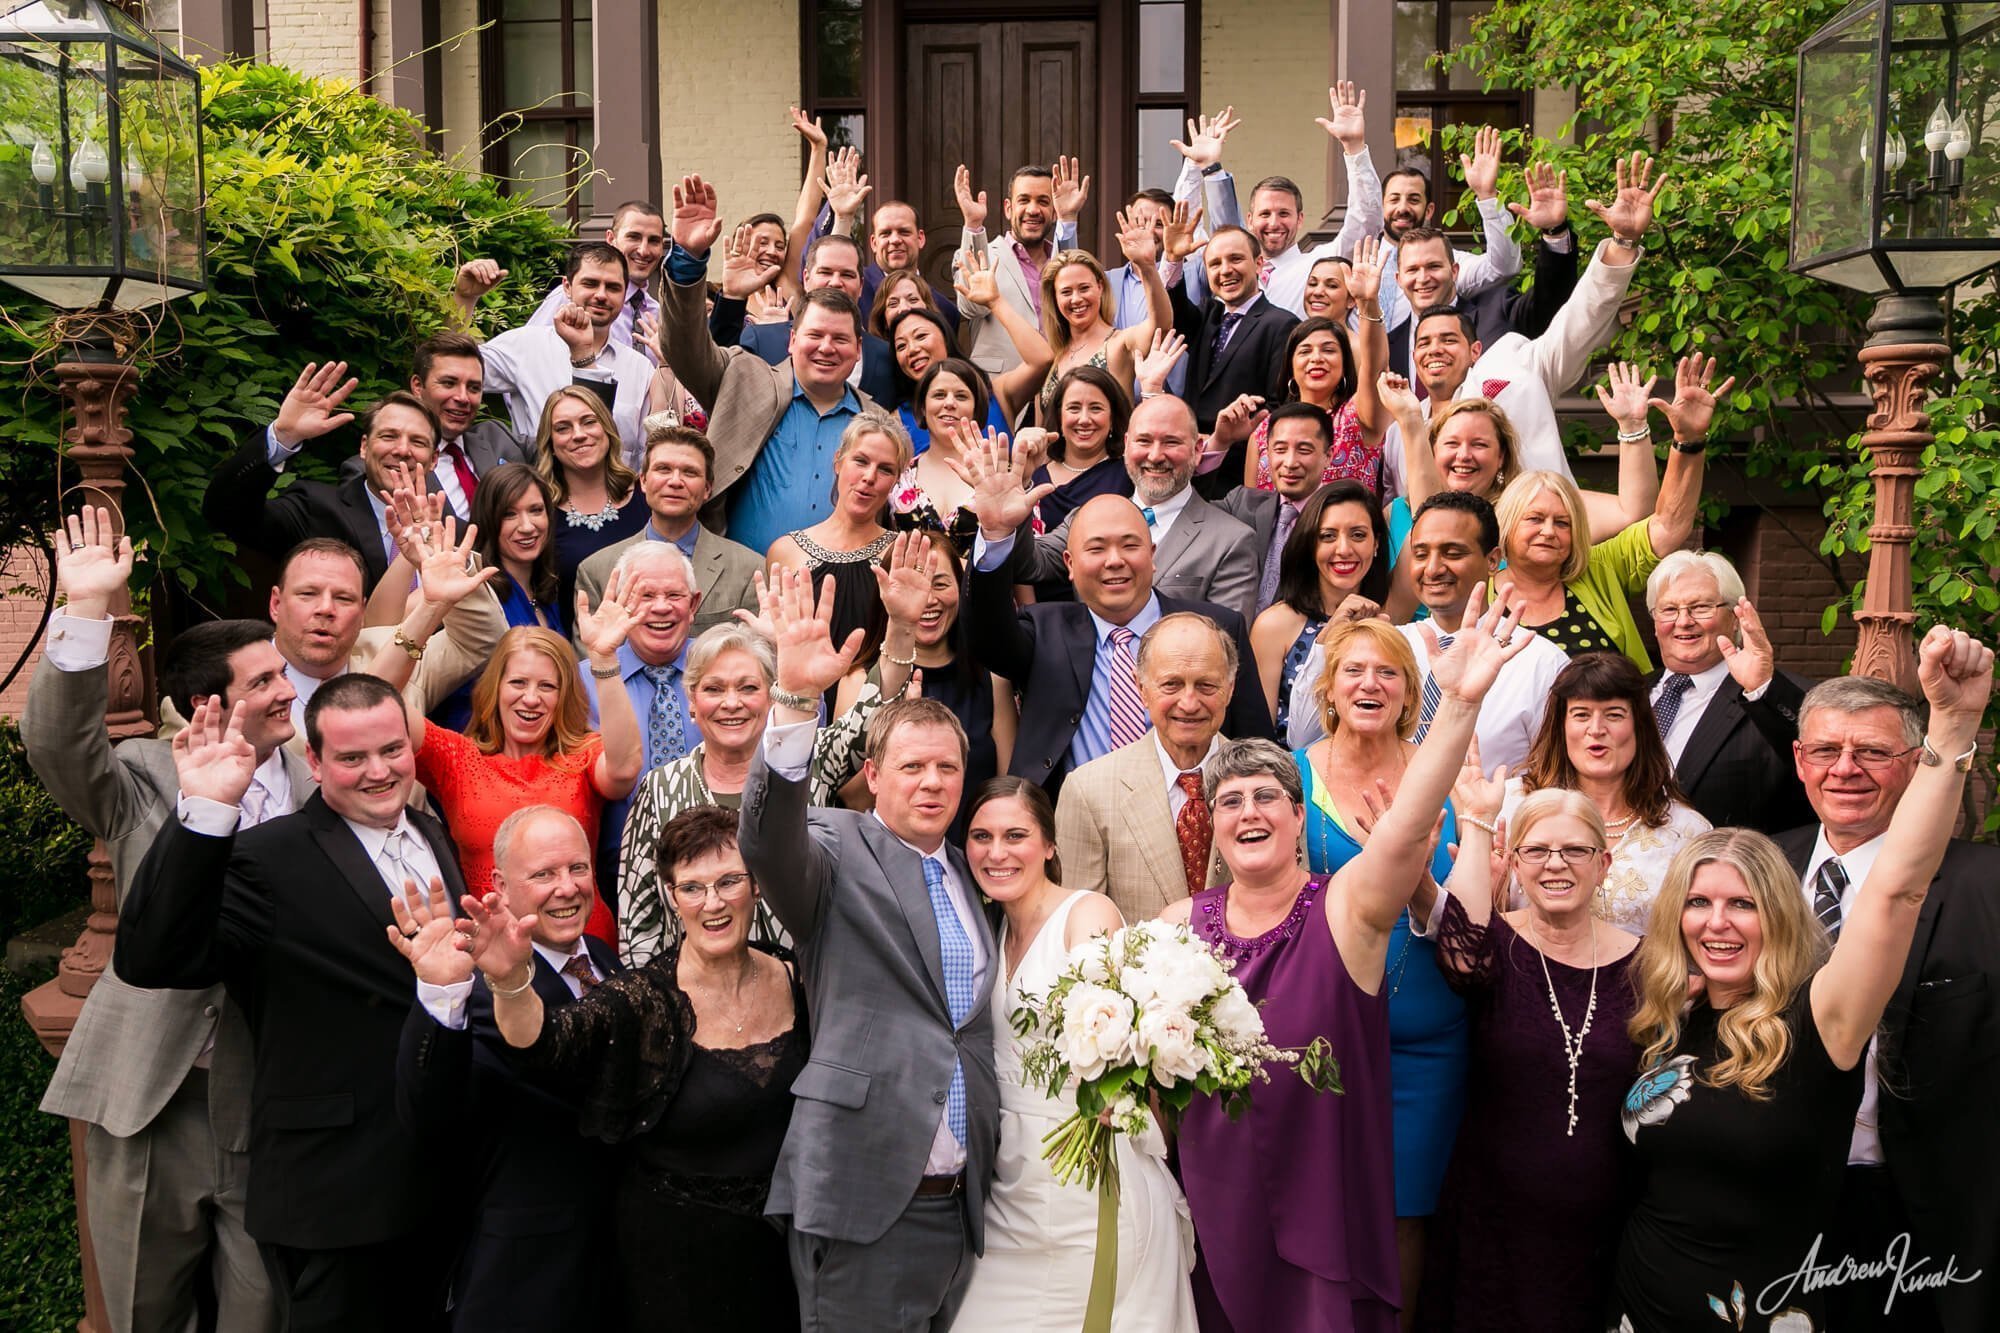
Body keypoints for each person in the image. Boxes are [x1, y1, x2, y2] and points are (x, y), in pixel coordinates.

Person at [1163, 589, 1532, 1331]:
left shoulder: (1343, 906)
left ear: (1301, 816)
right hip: (1225, 1170)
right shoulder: (1179, 925)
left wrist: (1457, 705)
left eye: (1268, 796)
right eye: (1230, 801)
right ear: (1211, 825)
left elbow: (1401, 833)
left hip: (1328, 1142)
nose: (1249, 813)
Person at [1612, 627, 1992, 1333]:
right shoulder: (1677, 1007)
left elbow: (1898, 890)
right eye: (1699, 902)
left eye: (1742, 905)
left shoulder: (1826, 1013)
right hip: (1650, 1289)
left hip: (1841, 1252)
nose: (1718, 922)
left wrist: (1955, 726)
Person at [118, 676, 469, 1331]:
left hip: (443, 1186)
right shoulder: (266, 858)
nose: (378, 770)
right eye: (352, 757)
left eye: (392, 749)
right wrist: (204, 813)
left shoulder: (430, 829)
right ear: (315, 761)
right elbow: (153, 957)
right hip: (335, 1196)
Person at [29, 509, 306, 1333]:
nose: (287, 690)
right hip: (156, 1096)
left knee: (262, 1311)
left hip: (268, 1098)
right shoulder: (144, 777)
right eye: (263, 682)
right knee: (144, 1309)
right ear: (205, 702)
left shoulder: (319, 780)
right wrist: (84, 613)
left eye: (280, 674)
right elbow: (57, 746)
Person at [737, 568, 1002, 1330]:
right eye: (912, 767)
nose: (931, 782)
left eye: (946, 767)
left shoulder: (969, 872)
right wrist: (792, 700)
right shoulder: (834, 844)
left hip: (958, 1205)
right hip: (864, 1194)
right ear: (874, 776)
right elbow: (767, 838)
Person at [453, 804, 808, 1331]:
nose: (713, 902)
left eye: (729, 880)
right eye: (692, 887)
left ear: (756, 886)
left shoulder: (797, 977)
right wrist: (510, 981)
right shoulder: (642, 997)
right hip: (674, 1271)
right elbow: (547, 1044)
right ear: (670, 896)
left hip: (783, 1259)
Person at [1773, 674, 2000, 1331]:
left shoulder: (1985, 886)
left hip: (1926, 1208)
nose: (1845, 769)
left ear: (1917, 762)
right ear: (1798, 760)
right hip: (1776, 1195)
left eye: (1872, 752)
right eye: (1825, 751)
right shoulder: (1756, 871)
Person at [952, 777, 1199, 1332]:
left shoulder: (1087, 915)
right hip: (1006, 1182)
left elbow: (1119, 1032)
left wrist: (1122, 1090)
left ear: (1049, 845)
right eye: (980, 836)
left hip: (1086, 1169)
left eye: (1016, 835)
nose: (997, 852)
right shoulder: (984, 931)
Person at [619, 542, 928, 963]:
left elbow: (870, 719)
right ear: (692, 702)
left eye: (748, 688)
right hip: (694, 1002)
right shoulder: (660, 788)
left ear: (771, 697)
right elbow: (639, 920)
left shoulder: (811, 760)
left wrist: (901, 626)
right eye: (714, 689)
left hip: (804, 992)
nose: (732, 703)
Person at [389, 807, 626, 1331]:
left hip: (618, 1273)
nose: (567, 888)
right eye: (544, 874)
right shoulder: (478, 990)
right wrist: (440, 993)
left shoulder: (608, 962)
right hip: (527, 1283)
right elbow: (428, 1118)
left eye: (578, 868)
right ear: (499, 884)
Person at [1418, 785, 1642, 1333]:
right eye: (1537, 851)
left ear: (1603, 863)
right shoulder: (1493, 946)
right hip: (1490, 1223)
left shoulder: (1646, 965)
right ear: (1515, 863)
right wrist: (1476, 821)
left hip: (1602, 1233)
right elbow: (1462, 941)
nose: (1556, 864)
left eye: (1575, 851)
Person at [1289, 617, 1465, 1307]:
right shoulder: (1292, 772)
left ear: (1409, 693)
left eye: (1387, 672)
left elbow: (1483, 903)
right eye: (1354, 670)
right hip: (1322, 1026)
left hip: (1426, 1031)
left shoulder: (1446, 775)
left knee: (1405, 1210)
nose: (1370, 683)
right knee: (1322, 1205)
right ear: (1329, 688)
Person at [963, 464, 1270, 796]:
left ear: (1152, 556)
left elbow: (1255, 746)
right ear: (1069, 564)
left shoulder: (1216, 627)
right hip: (1073, 821)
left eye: (1129, 545)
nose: (1114, 561)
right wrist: (995, 536)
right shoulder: (1045, 629)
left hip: (1192, 819)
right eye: (1096, 549)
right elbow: (986, 636)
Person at [1389, 152, 1665, 495]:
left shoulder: (1510, 358)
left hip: (1534, 521)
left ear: (1475, 349)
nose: (1436, 350)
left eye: (1449, 339)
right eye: (1425, 343)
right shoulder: (1399, 413)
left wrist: (1621, 245)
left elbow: (1576, 320)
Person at [659, 175, 872, 557]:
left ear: (858, 350)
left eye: (840, 339)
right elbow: (684, 348)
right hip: (744, 587)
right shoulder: (744, 378)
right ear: (791, 339)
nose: (826, 347)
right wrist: (689, 262)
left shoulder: (872, 416)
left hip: (841, 590)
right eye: (814, 335)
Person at [412, 598, 642, 948]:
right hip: (496, 951)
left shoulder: (581, 754)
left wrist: (605, 660)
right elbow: (371, 705)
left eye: (547, 686)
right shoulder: (456, 756)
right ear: (496, 688)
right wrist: (430, 607)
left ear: (563, 696)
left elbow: (625, 769)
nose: (531, 698)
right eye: (518, 683)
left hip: (583, 944)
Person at [1291, 492, 1568, 781]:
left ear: (1492, 560)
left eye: (1452, 553)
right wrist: (1328, 642)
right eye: (1421, 554)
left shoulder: (1541, 662)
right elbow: (1304, 738)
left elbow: (1554, 780)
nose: (1433, 569)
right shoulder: (1387, 647)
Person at [1496, 354, 1720, 669]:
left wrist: (1689, 440)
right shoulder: (1476, 589)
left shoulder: (1599, 569)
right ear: (1506, 526)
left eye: (1562, 522)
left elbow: (1667, 526)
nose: (1549, 531)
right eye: (1534, 519)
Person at [203, 533, 504, 755]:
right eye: (308, 594)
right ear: (276, 604)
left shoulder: (394, 649)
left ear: (362, 613)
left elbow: (482, 641)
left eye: (343, 598)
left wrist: (446, 561)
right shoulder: (216, 693)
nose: (325, 609)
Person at [989, 395, 1262, 621]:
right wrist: (1016, 496)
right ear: (1127, 444)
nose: (1155, 456)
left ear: (1198, 448)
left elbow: (1225, 643)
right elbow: (1029, 565)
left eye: (1171, 442)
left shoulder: (1232, 541)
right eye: (1144, 441)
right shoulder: (1088, 516)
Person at [1503, 653, 1711, 934]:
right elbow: (1453, 920)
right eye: (1581, 715)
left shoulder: (1686, 830)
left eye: (1614, 714)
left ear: (1639, 726)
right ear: (1561, 726)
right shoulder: (1512, 804)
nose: (1597, 729)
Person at [1053, 611, 1234, 923]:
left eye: (1206, 685)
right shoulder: (1089, 791)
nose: (1189, 703)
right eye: (1171, 685)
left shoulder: (1268, 782)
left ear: (1229, 689)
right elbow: (1081, 939)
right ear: (1141, 688)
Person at [1319, 83, 1529, 345]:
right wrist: (1354, 147)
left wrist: (1487, 196)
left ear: (1429, 209)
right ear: (1382, 207)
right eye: (1394, 199)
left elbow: (1504, 266)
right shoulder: (1358, 255)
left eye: (1414, 199)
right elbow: (1362, 209)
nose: (1403, 208)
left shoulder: (1443, 264)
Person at [205, 372, 444, 591]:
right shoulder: (314, 509)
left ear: (434, 460)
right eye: (388, 436)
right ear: (364, 447)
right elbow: (225, 513)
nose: (402, 450)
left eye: (418, 442)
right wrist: (285, 435)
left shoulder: (454, 532)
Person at [1644, 553, 1813, 835]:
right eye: (1669, 610)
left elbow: (1816, 755)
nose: (1683, 621)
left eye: (1700, 608)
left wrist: (1762, 689)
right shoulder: (1629, 694)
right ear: (1654, 622)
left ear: (1735, 618)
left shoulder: (1768, 694)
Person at [579, 542, 707, 898]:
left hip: (718, 867)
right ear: (620, 605)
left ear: (694, 604)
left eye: (674, 594)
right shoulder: (582, 682)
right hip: (616, 875)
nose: (661, 607)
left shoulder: (722, 665)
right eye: (645, 595)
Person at [573, 424, 763, 640]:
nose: (675, 481)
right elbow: (589, 663)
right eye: (663, 469)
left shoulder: (749, 571)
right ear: (643, 481)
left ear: (707, 489)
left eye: (689, 472)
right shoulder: (597, 571)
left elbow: (756, 661)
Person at [461, 243, 656, 451]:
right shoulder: (525, 346)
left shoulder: (641, 369)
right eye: (590, 283)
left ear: (625, 293)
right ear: (567, 287)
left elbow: (647, 452)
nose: (601, 295)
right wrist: (464, 298)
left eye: (613, 287)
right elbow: (455, 366)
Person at [335, 333, 532, 520]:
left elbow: (560, 443)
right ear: (418, 386)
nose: (462, 397)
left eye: (474, 388)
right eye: (448, 383)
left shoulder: (496, 436)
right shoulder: (377, 467)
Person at [1250, 479, 1389, 735]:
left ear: (1376, 543)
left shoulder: (1386, 620)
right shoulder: (1274, 625)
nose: (1344, 549)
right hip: (1293, 770)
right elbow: (1258, 737)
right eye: (1327, 536)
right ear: (1310, 544)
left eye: (1358, 535)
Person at [767, 408, 909, 651]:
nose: (869, 477)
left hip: (874, 686)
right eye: (861, 461)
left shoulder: (901, 554)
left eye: (885, 469)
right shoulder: (785, 550)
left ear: (897, 480)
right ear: (838, 462)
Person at [1031, 208, 1179, 424]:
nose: (1076, 299)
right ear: (1054, 298)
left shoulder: (1120, 343)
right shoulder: (1052, 355)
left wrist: (1147, 267)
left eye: (1084, 288)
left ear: (1100, 287)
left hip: (1110, 457)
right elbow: (1041, 430)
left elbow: (1161, 326)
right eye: (1066, 292)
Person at [953, 159, 1086, 375]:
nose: (1033, 210)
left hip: (1060, 387)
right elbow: (971, 308)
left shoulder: (1063, 258)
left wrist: (1068, 218)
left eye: (1043, 202)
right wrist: (973, 225)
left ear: (1054, 212)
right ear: (1008, 208)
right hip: (1003, 388)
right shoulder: (983, 255)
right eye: (1024, 200)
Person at [734, 234, 900, 404]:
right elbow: (718, 381)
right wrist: (732, 297)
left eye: (847, 275)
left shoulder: (887, 357)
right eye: (825, 272)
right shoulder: (762, 340)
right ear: (806, 278)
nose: (835, 282)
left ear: (861, 285)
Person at [533, 385, 649, 611]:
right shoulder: (541, 511)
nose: (578, 435)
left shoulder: (646, 494)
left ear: (607, 429)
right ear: (551, 444)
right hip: (576, 641)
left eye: (588, 422)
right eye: (563, 428)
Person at [1177, 225, 1301, 437]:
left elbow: (1279, 406)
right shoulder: (1207, 315)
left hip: (1241, 458)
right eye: (1215, 264)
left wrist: (1223, 442)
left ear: (1258, 264)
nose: (1225, 270)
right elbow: (1172, 311)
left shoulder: (1282, 325)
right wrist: (1172, 259)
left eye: (1235, 259)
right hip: (1191, 456)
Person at [520, 199, 669, 355]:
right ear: (611, 239)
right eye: (634, 237)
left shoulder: (656, 314)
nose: (644, 250)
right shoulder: (571, 299)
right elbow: (527, 354)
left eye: (653, 241)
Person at [886, 307, 1026, 450]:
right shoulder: (897, 421)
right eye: (901, 346)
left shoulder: (996, 392)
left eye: (921, 336)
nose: (912, 349)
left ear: (946, 337)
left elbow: (1042, 360)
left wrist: (996, 303)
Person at [1029, 364, 1136, 537]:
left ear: (1113, 417)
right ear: (1059, 416)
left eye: (1096, 408)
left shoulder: (1130, 474)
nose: (1084, 419)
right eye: (1074, 408)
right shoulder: (1033, 476)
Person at [1301, 254, 1354, 326]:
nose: (1317, 292)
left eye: (1332, 286)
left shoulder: (1364, 337)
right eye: (1313, 284)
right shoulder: (1290, 336)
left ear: (1351, 300)